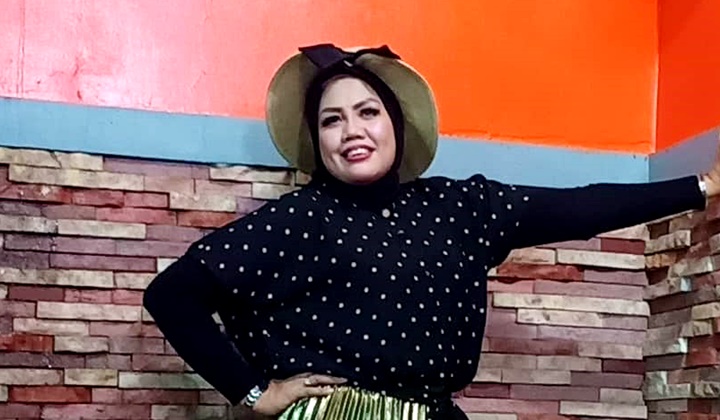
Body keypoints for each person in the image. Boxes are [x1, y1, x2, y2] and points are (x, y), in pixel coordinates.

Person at [143, 43, 720, 420]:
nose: (352, 130)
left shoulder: (457, 207)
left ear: (395, 125)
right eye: (331, 120)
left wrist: (701, 186)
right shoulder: (296, 220)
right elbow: (171, 295)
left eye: (368, 112)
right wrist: (256, 393)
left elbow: (579, 207)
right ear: (318, 141)